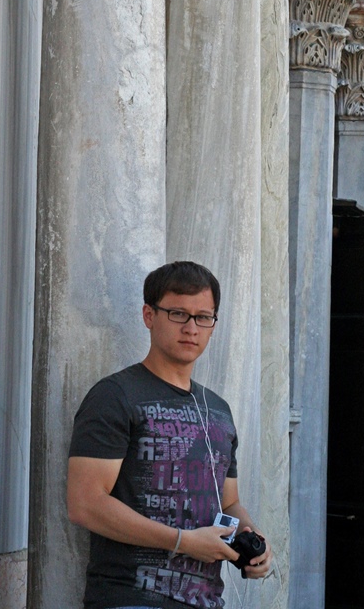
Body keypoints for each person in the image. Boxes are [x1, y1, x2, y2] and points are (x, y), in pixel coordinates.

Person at [67, 260, 272, 609]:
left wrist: (252, 540)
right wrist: (183, 541)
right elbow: (85, 504)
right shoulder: (115, 396)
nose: (191, 327)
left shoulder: (219, 409)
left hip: (207, 600)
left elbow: (228, 503)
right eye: (178, 313)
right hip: (131, 598)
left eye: (203, 317)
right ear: (149, 315)